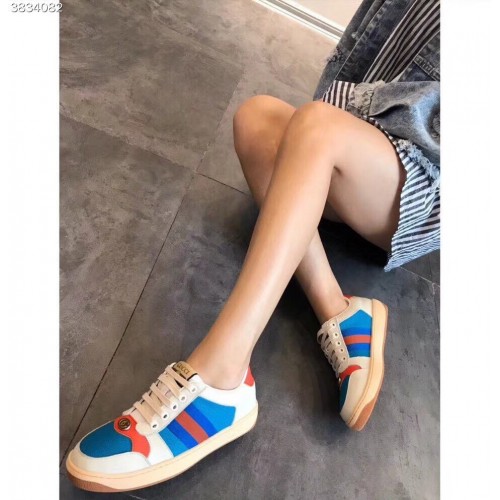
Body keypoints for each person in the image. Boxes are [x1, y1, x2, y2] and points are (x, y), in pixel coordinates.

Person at [66, 0, 440, 492]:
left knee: (317, 127)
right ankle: (339, 309)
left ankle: (222, 380)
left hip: (425, 181)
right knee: (256, 116)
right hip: (365, 141)